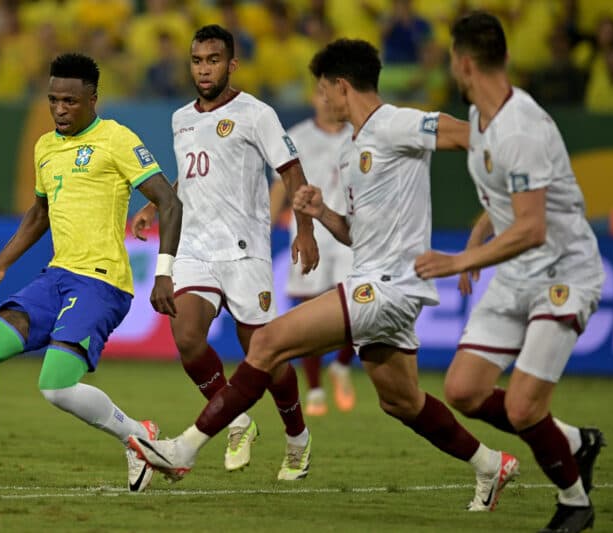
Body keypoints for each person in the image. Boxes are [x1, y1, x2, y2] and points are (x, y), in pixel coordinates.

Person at [129, 38, 521, 513]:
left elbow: (465, 133)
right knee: (401, 402)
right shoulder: (353, 150)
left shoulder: (394, 122)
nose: (322, 101)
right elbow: (358, 234)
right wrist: (324, 215)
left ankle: (182, 449)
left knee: (269, 343)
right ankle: (489, 464)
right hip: (384, 289)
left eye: (323, 91)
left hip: (382, 288)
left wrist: (513, 163)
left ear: (340, 85)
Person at [0, 53, 183, 494]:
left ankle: (140, 434)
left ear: (93, 99)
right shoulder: (45, 147)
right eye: (52, 100)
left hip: (101, 281)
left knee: (56, 387)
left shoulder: (116, 139)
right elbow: (39, 214)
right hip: (56, 277)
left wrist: (163, 274)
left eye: (70, 101)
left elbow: (169, 202)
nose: (59, 109)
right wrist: (0, 264)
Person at [415, 12, 605, 533]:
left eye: (453, 60)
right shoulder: (480, 117)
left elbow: (533, 226)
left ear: (464, 62)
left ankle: (574, 503)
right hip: (517, 271)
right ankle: (572, 441)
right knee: (464, 390)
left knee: (522, 408)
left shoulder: (521, 128)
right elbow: (506, 199)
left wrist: (462, 260)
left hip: (563, 272)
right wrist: (478, 235)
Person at [130, 24, 319, 480]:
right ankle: (237, 420)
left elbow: (293, 174)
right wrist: (156, 206)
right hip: (195, 246)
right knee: (188, 338)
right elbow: (193, 175)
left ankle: (297, 438)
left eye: (213, 60)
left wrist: (305, 230)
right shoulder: (181, 118)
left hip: (245, 250)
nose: (204, 69)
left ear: (231, 65)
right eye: (197, 61)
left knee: (266, 357)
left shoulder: (257, 114)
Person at [268, 90, 356, 417]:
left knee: (357, 305)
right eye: (320, 93)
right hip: (309, 231)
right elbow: (281, 184)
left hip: (349, 231)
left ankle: (342, 366)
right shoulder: (298, 137)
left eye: (331, 93)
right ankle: (316, 388)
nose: (326, 99)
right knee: (310, 310)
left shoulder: (358, 135)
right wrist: (266, 227)